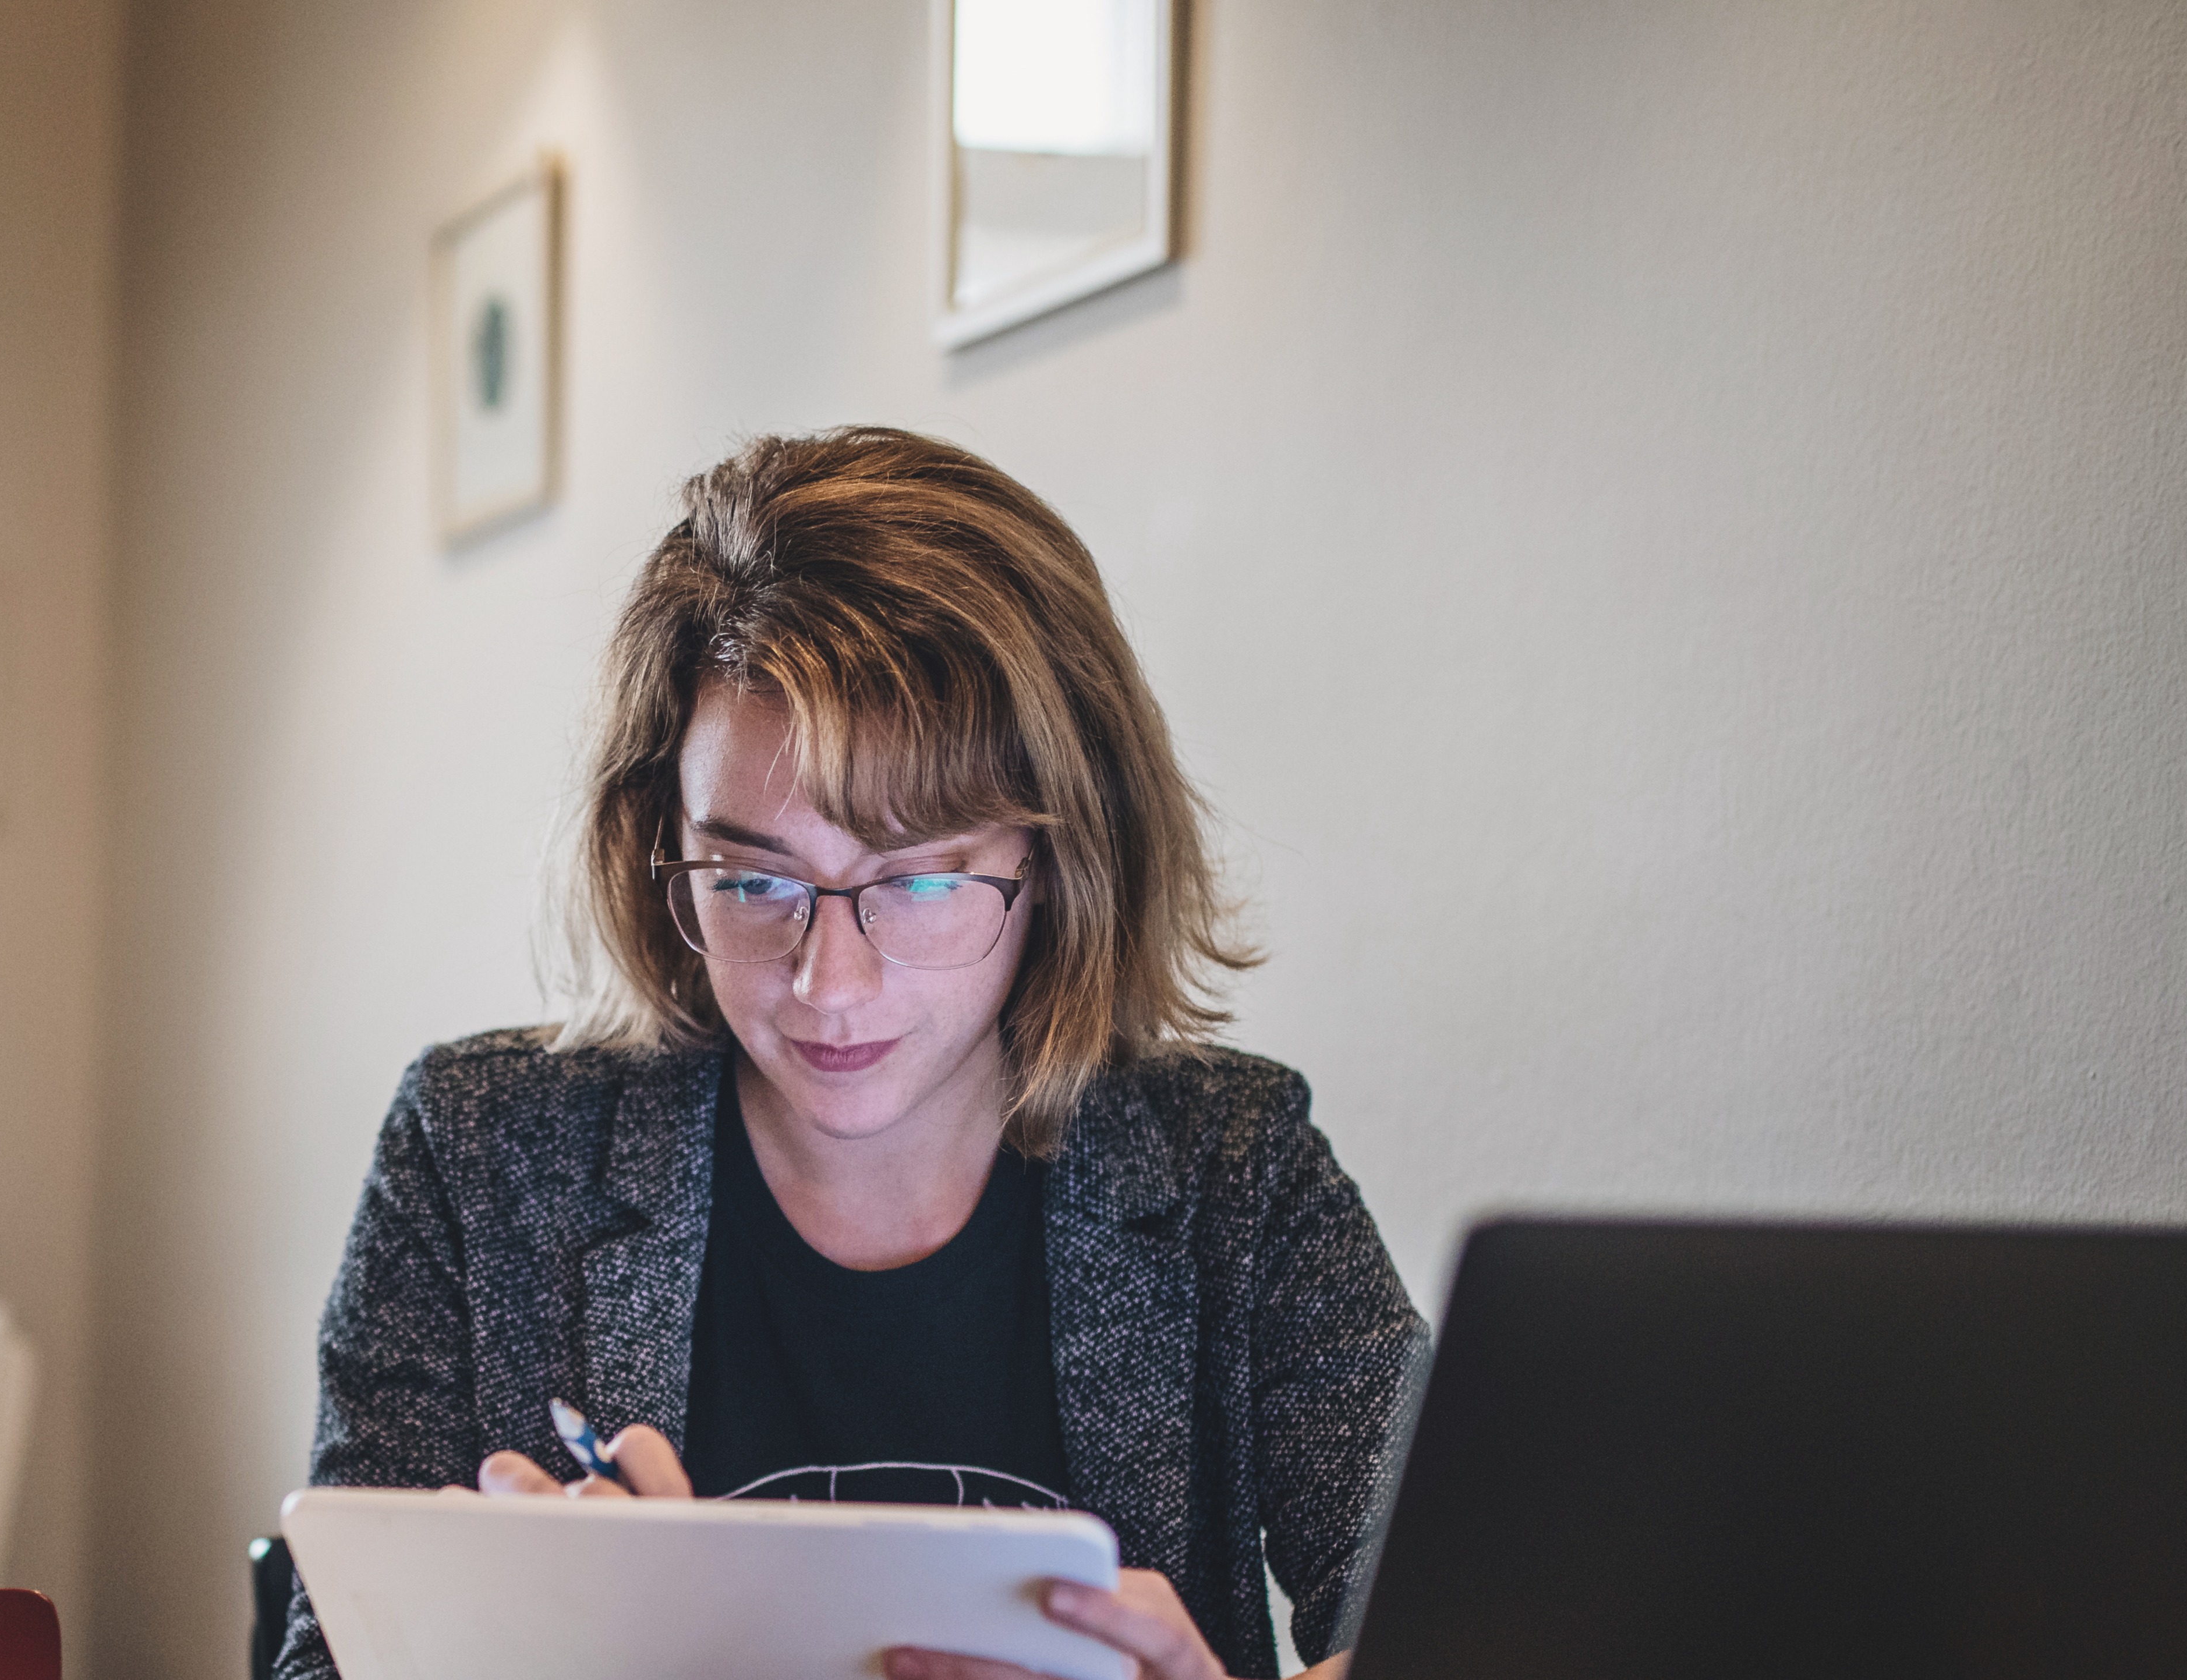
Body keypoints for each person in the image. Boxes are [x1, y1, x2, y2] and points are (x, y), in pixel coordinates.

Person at [280, 427, 1425, 1680]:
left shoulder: (1228, 1168)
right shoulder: (482, 1150)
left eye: (922, 877)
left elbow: (1479, 1622)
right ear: (657, 843)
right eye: (752, 879)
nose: (830, 985)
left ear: (1060, 860)